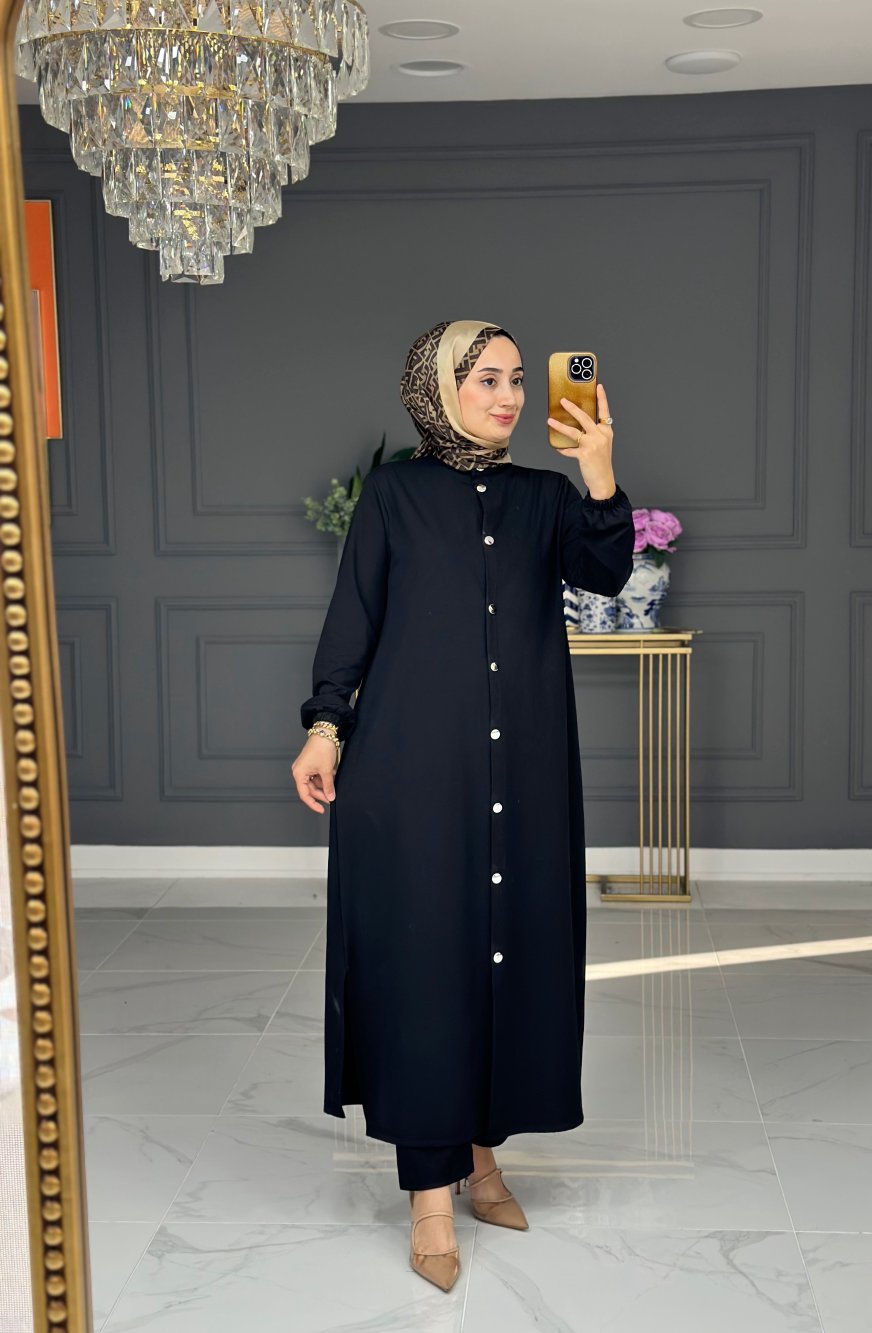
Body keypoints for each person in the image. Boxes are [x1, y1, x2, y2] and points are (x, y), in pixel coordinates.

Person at [291, 319, 634, 1292]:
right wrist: (325, 727)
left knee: (506, 956)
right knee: (425, 963)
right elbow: (353, 617)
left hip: (523, 769)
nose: (509, 396)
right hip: (413, 768)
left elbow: (605, 574)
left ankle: (483, 1156)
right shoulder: (394, 494)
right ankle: (430, 1195)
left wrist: (599, 471)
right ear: (438, 387)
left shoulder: (544, 498)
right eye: (486, 378)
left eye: (518, 379)